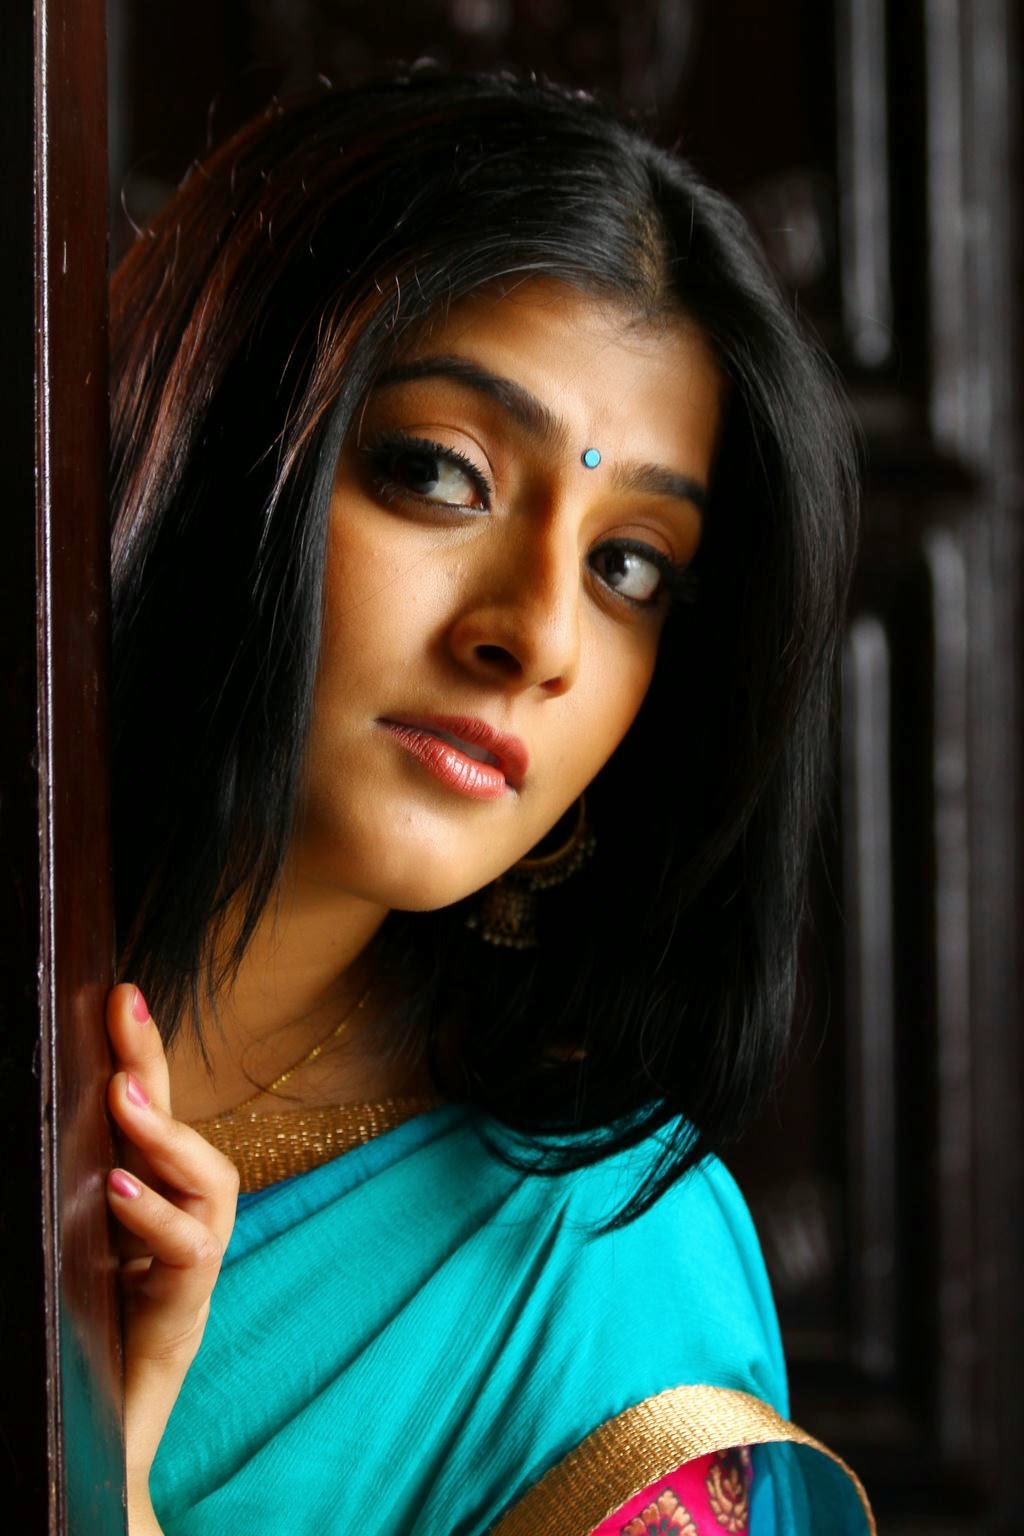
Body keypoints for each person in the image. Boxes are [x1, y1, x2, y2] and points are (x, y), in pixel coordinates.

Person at [103, 70, 872, 1534]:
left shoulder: (600, 1279)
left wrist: (107, 1482)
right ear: (206, 448)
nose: (539, 636)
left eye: (629, 565)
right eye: (440, 474)